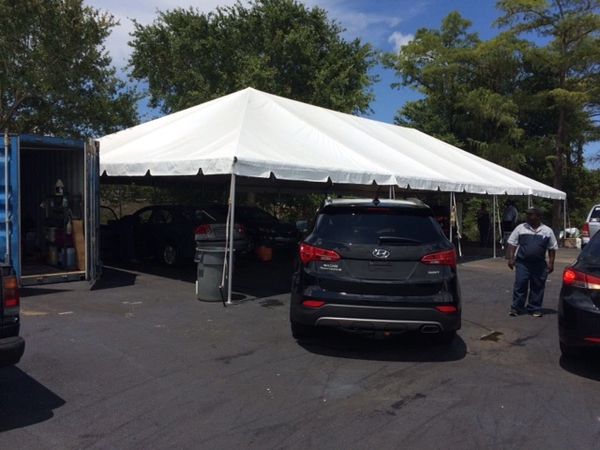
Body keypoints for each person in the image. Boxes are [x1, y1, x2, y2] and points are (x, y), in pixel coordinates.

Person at [506, 208, 558, 317]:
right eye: (527, 214)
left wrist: (551, 263)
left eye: (531, 215)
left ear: (538, 217)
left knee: (538, 286)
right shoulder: (520, 228)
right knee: (520, 284)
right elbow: (512, 244)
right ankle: (516, 308)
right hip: (522, 263)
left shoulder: (547, 231)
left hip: (539, 264)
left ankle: (534, 308)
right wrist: (511, 258)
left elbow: (552, 248)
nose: (528, 217)